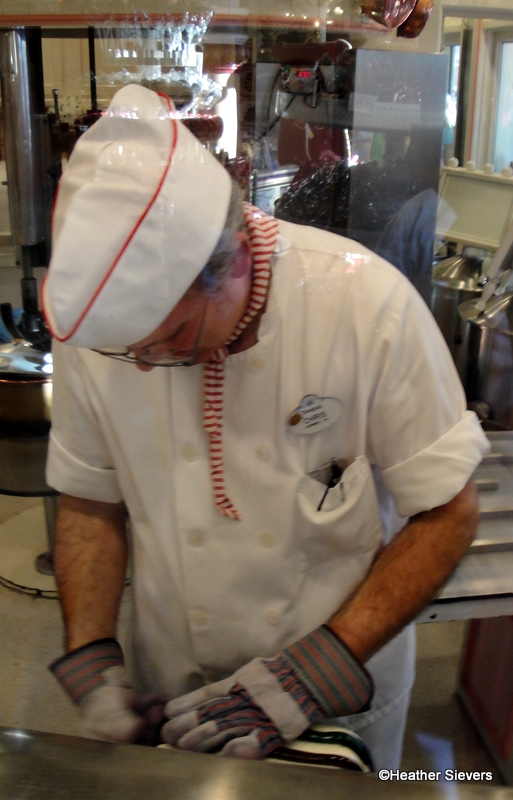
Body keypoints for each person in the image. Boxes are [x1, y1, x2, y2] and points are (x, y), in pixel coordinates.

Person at [42, 83, 489, 770]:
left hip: (338, 684)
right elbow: (88, 498)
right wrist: (92, 655)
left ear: (236, 260)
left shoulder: (366, 305)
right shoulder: (105, 330)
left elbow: (448, 511)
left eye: (171, 338)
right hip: (173, 685)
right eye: (127, 350)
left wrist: (317, 670)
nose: (144, 363)